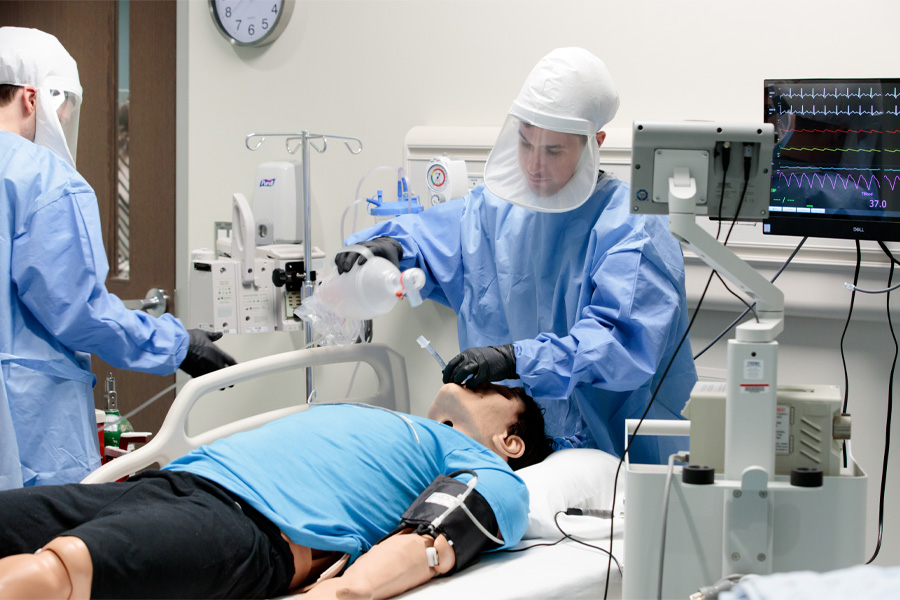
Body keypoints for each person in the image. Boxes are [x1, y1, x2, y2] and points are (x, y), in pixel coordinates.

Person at [337, 47, 698, 464]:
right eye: (525, 143)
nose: (534, 165)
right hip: (508, 460)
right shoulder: (495, 211)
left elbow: (618, 345)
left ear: (595, 143)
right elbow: (433, 237)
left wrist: (515, 358)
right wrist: (390, 248)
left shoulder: (631, 227)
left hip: (616, 459)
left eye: (554, 151)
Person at [0, 382, 554, 600]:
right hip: (175, 482)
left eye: (500, 388)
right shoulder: (391, 420)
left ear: (511, 441)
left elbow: (429, 540)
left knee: (64, 568)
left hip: (252, 527)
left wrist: (339, 595)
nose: (478, 378)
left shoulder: (488, 470)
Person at [0, 26, 236, 490]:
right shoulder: (42, 180)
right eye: (62, 103)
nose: (65, 117)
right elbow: (77, 310)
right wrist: (178, 345)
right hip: (23, 421)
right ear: (33, 98)